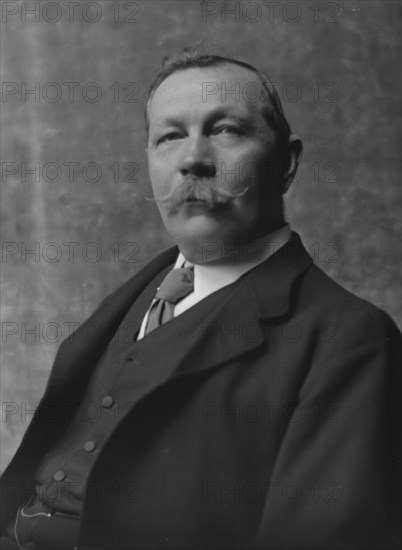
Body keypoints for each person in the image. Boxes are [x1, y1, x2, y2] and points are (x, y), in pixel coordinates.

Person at [1, 50, 401, 550]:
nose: (193, 158)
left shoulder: (350, 339)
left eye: (227, 130)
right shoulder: (135, 294)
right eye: (169, 136)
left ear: (287, 163)